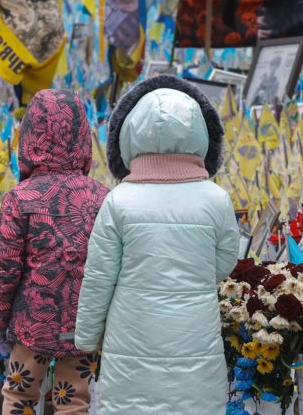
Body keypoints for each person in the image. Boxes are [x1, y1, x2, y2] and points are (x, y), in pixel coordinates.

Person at [75, 75, 239, 415]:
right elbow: (226, 260)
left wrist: (87, 337)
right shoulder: (216, 199)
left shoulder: (119, 201)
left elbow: (99, 278)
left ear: (130, 134)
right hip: (194, 337)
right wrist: (193, 278)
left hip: (130, 340)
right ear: (201, 134)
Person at [0, 89, 109, 415]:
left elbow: (3, 268)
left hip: (30, 324)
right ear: (83, 136)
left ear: (29, 136)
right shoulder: (101, 197)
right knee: (74, 401)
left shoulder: (20, 198)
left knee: (19, 396)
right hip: (82, 325)